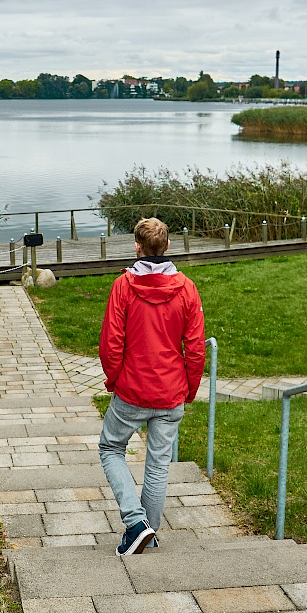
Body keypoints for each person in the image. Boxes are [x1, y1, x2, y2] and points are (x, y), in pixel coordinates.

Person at [98, 217, 206, 556]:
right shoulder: (187, 288)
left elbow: (111, 343)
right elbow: (196, 348)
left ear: (137, 247)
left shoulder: (124, 287)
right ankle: (149, 531)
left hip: (132, 388)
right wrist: (188, 389)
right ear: (168, 246)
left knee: (110, 448)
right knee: (158, 464)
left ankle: (135, 523)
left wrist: (114, 380)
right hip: (171, 390)